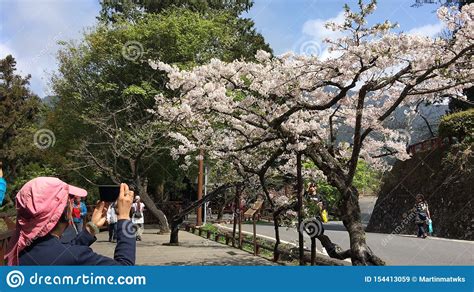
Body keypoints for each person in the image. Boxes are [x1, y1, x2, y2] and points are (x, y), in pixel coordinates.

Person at [4, 177, 135, 265]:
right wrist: (124, 217)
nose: (72, 204)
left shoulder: (18, 250)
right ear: (63, 212)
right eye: (69, 199)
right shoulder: (75, 257)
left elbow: (63, 251)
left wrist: (91, 228)